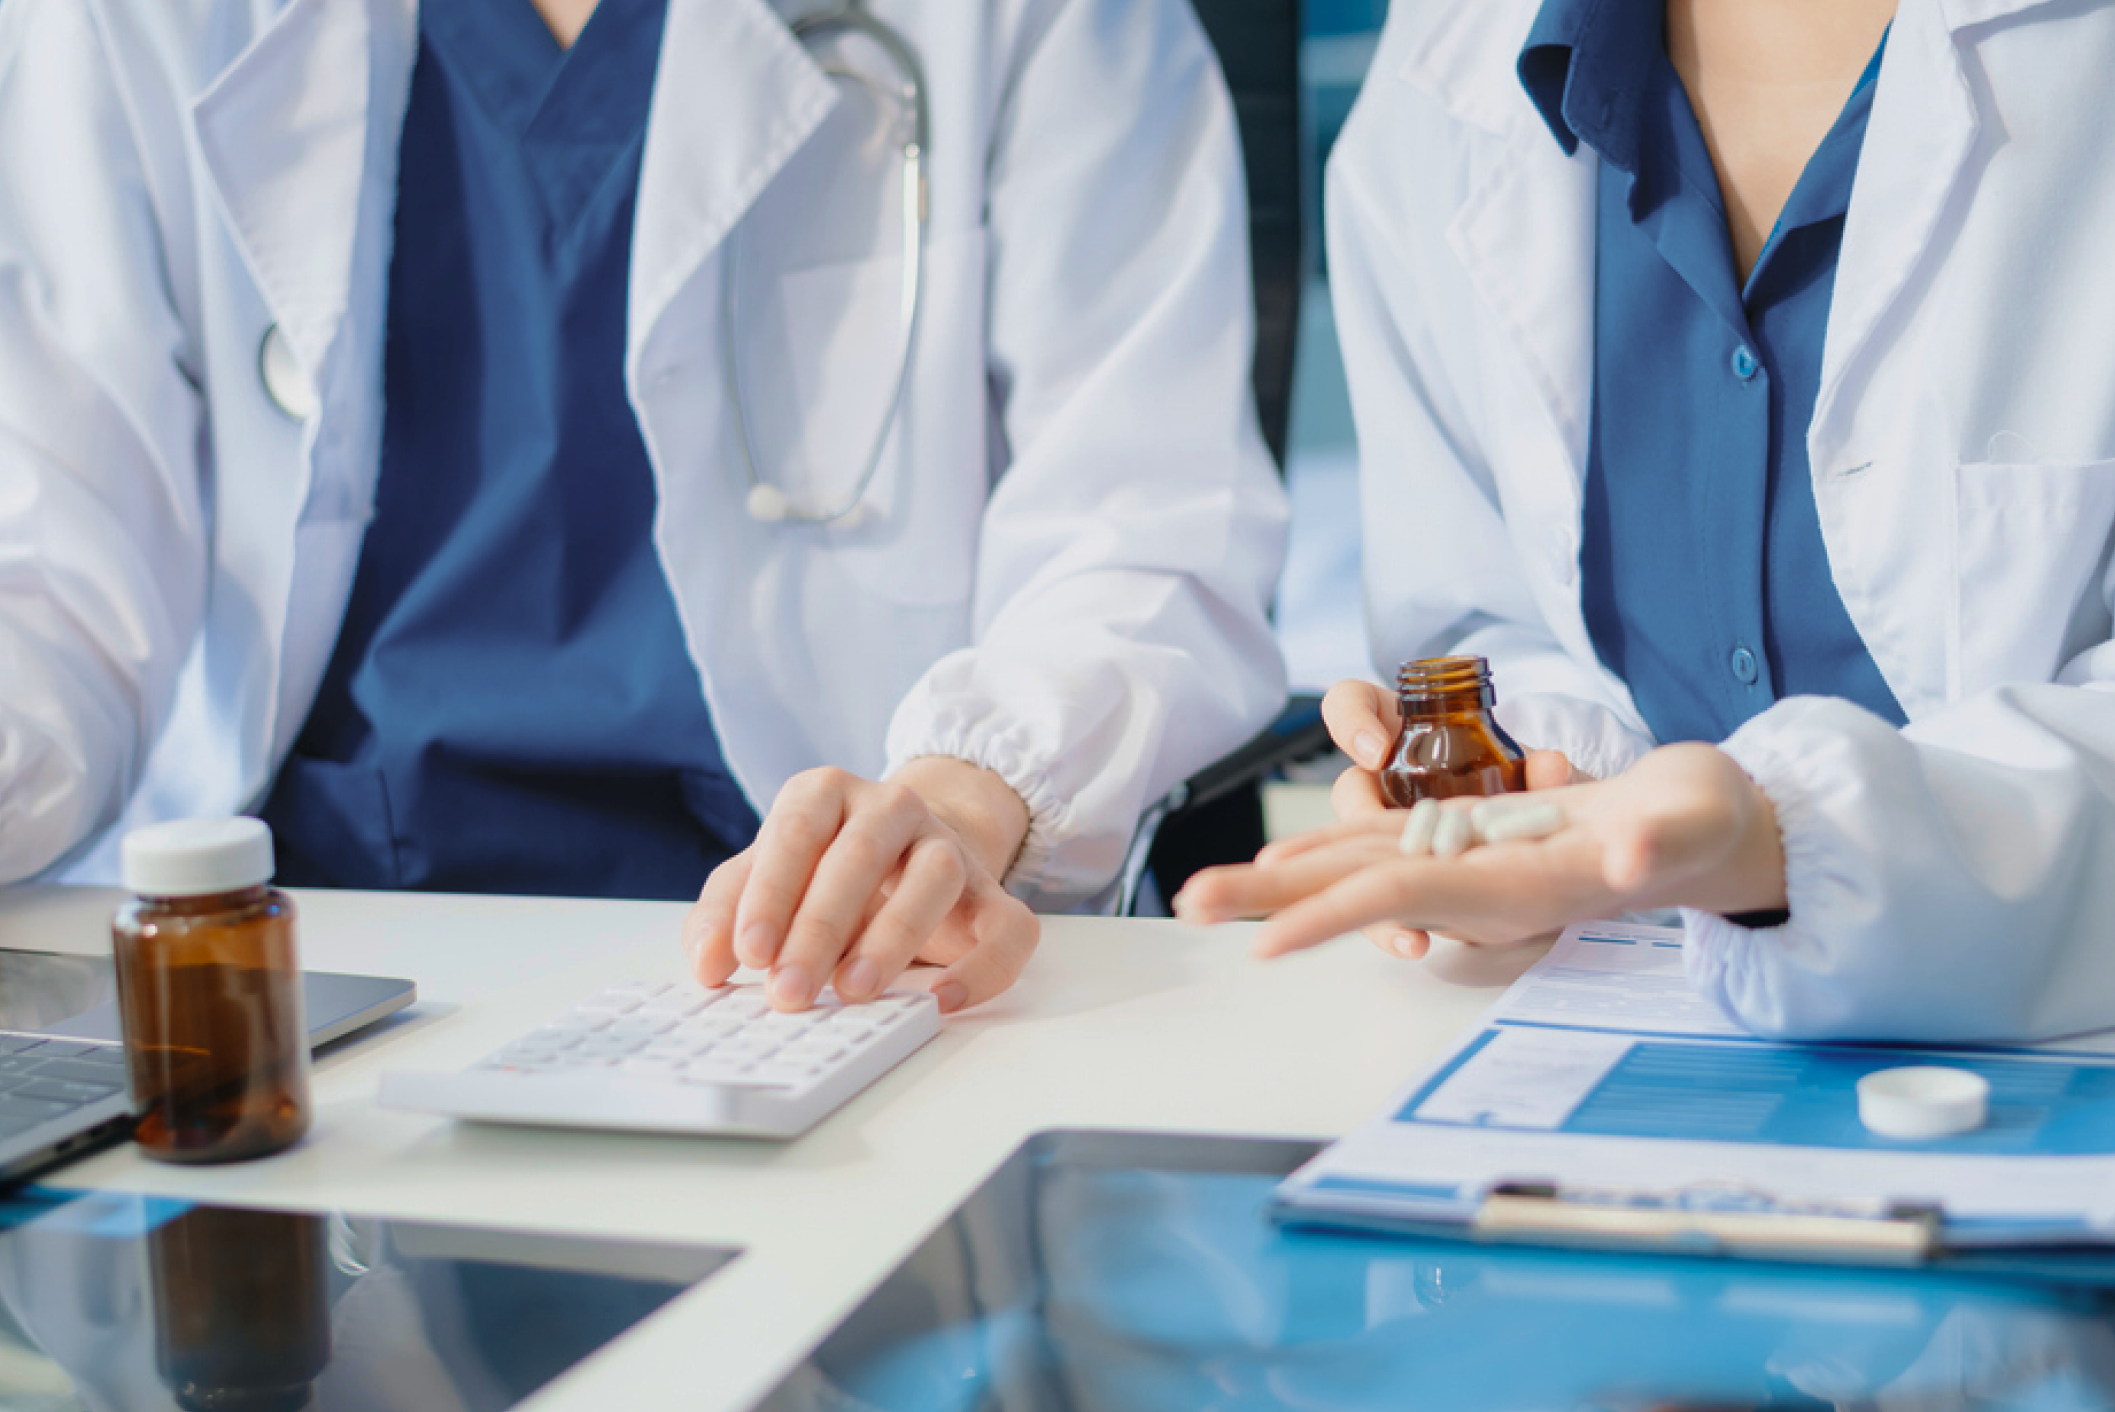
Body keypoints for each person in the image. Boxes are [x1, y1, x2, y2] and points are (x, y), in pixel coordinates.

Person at [0, 0, 1285, 1015]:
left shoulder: (1037, 20)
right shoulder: (123, 24)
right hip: (300, 956)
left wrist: (964, 792)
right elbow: (52, 570)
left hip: (811, 959)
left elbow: (1147, 524)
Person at [1179, 0, 2115, 1040]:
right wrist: (1527, 798)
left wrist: (1783, 840)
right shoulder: (1452, 60)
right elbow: (1499, 618)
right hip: (1622, 1060)